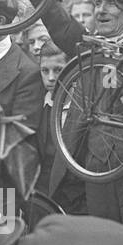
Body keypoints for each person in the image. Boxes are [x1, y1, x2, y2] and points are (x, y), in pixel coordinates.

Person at [23, 0, 123, 223]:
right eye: (98, 3)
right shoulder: (87, 47)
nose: (101, 10)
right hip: (82, 179)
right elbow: (53, 15)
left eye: (111, 3)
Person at [34, 41, 86, 214]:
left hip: (75, 206)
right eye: (44, 70)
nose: (50, 78)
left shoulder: (84, 110)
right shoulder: (35, 105)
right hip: (40, 202)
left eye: (58, 70)